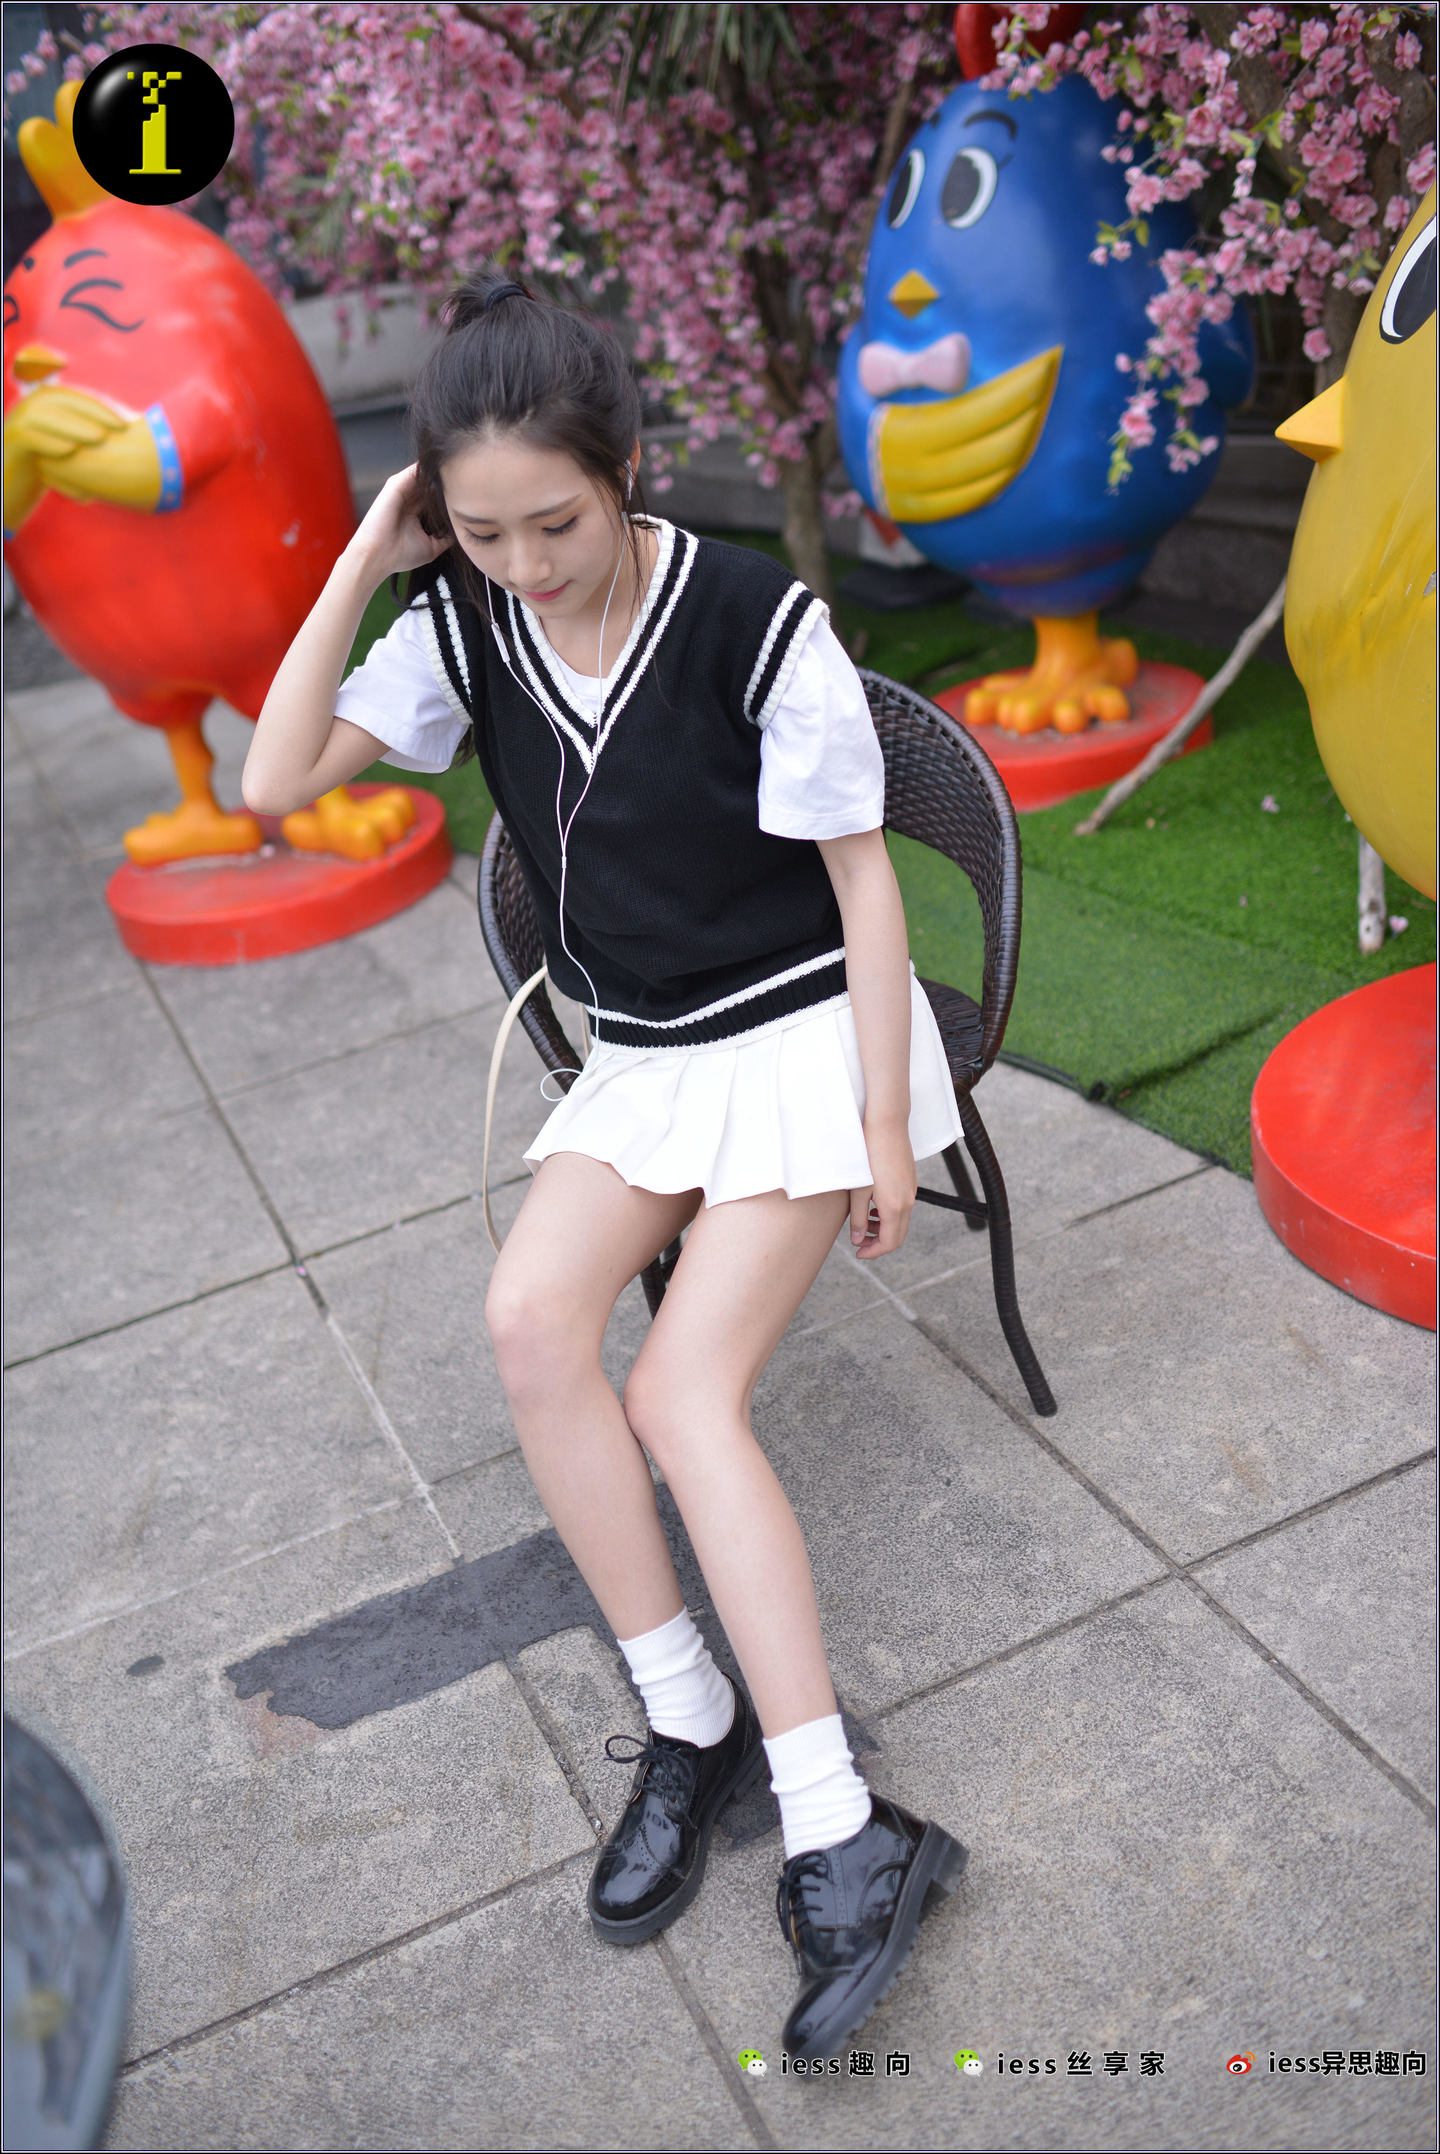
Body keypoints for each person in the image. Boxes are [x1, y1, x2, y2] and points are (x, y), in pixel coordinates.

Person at [243, 266, 968, 2062]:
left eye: (554, 523)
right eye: (481, 531)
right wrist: (370, 559)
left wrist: (885, 1121)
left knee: (681, 1395)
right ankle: (686, 1708)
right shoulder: (464, 620)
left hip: (798, 1034)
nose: (525, 564)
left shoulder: (751, 616)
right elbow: (272, 779)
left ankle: (842, 1824)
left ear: (626, 468)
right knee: (526, 1324)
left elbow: (863, 877)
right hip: (649, 1059)